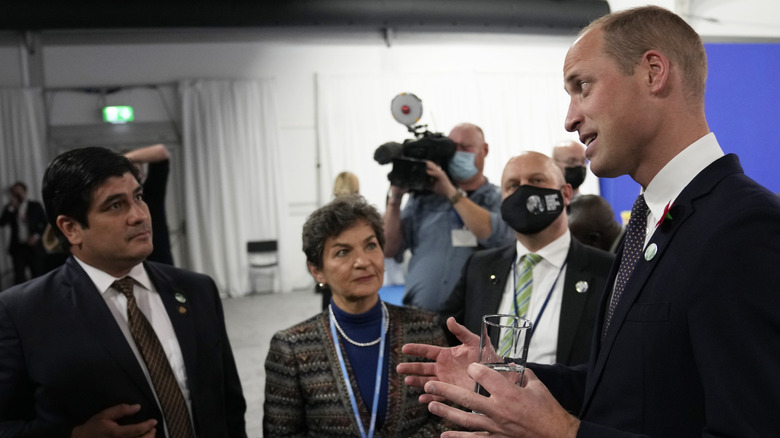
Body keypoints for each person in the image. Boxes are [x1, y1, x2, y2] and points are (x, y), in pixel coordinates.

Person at [397, 6, 780, 437]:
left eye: (582, 87)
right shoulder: (648, 221)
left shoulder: (745, 227)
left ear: (654, 72)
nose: (570, 118)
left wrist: (563, 432)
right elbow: (616, 385)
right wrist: (504, 378)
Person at [0, 147, 246, 437]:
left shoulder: (196, 289)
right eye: (115, 206)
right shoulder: (21, 312)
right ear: (71, 228)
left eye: (138, 197)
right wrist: (74, 435)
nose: (139, 215)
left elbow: (228, 406)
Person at [264, 194, 450, 437]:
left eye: (371, 245)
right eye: (343, 252)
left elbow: (450, 415)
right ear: (317, 270)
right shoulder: (292, 348)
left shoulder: (425, 329)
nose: (363, 261)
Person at [440, 152, 614, 366]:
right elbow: (445, 329)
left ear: (566, 194)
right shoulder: (480, 266)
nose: (523, 191)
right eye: (512, 185)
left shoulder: (607, 270)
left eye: (536, 180)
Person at [383, 122, 514, 313]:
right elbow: (389, 249)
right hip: (419, 317)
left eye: (465, 147)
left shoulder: (496, 198)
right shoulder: (423, 199)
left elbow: (495, 236)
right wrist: (395, 198)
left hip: (472, 321)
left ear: (484, 150)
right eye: (453, 148)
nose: (458, 153)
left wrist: (450, 191)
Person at [317, 170, 362, 309]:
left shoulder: (322, 216)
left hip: (331, 277)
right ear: (356, 189)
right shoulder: (359, 217)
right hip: (350, 274)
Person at [124, 143, 175, 265]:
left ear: (142, 174)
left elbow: (161, 151)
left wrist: (121, 160)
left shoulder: (152, 192)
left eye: (135, 170)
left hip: (160, 262)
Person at [0, 181, 48, 285]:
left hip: (34, 247)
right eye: (14, 193)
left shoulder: (35, 206)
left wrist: (36, 236)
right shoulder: (10, 208)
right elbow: (2, 222)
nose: (17, 195)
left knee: (38, 276)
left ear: (25, 192)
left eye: (19, 192)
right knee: (19, 278)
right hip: (18, 248)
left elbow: (45, 223)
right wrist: (10, 207)